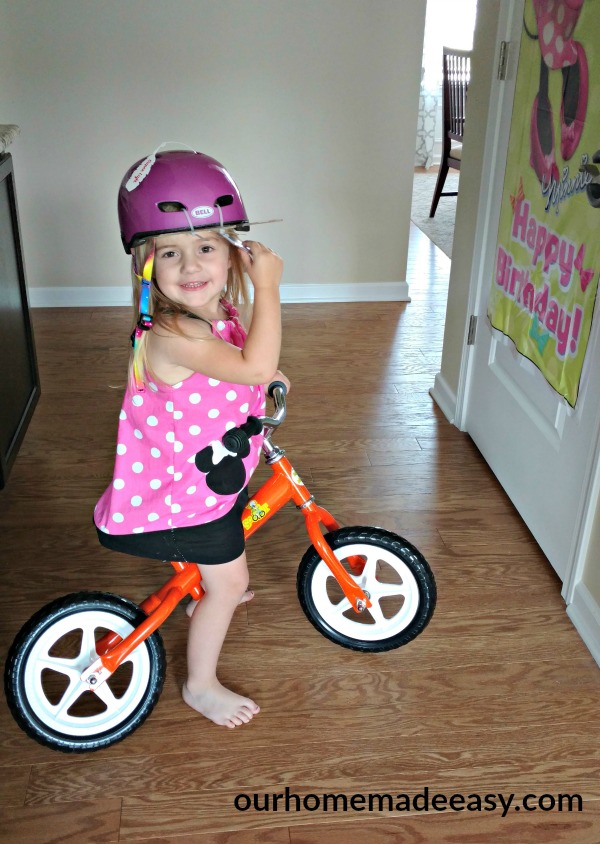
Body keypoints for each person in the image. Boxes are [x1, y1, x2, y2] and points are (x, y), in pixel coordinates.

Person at [94, 147, 287, 728]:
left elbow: (243, 359)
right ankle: (200, 685)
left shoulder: (206, 316)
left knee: (224, 542)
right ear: (145, 265)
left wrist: (262, 371)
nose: (190, 265)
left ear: (231, 254)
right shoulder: (173, 336)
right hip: (181, 500)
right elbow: (250, 367)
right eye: (170, 253)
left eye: (206, 247)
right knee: (232, 581)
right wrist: (271, 287)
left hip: (186, 477)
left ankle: (200, 577)